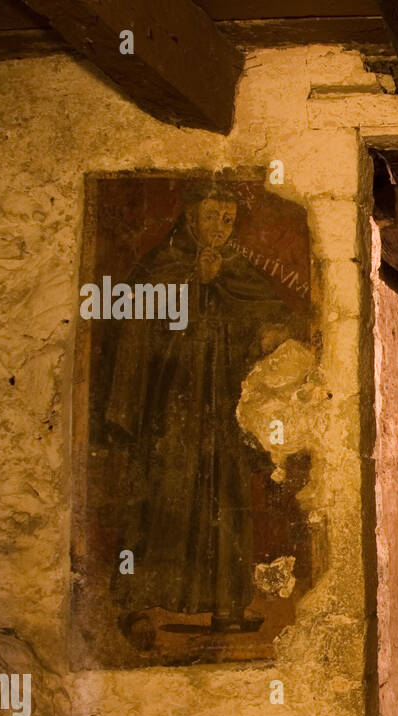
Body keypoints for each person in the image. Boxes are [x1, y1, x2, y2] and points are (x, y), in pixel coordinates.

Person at [103, 182, 292, 641]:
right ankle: (140, 605)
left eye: (228, 220)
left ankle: (227, 608)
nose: (220, 229)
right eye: (211, 218)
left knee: (226, 499)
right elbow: (136, 330)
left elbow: (265, 308)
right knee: (163, 496)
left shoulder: (235, 268)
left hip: (222, 404)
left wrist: (268, 331)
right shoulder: (160, 267)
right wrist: (192, 283)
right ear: (190, 217)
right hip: (172, 410)